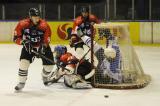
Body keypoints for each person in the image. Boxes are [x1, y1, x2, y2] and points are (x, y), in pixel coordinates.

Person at [13, 8, 54, 91]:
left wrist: (43, 46)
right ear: (30, 16)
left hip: (42, 46)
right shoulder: (22, 24)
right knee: (23, 63)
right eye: (35, 16)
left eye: (38, 16)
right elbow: (15, 38)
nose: (37, 18)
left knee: (50, 66)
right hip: (29, 47)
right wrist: (23, 42)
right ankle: (21, 82)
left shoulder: (45, 25)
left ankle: (45, 76)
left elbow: (47, 38)